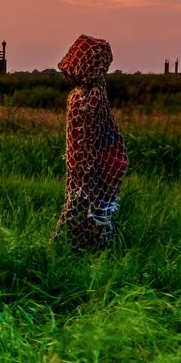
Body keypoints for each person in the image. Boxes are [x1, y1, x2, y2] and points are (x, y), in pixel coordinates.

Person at [55, 34, 126, 249]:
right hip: (109, 159)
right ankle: (101, 244)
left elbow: (83, 140)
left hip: (94, 166)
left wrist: (82, 170)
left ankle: (70, 248)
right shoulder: (96, 92)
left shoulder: (82, 98)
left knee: (81, 207)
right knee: (99, 209)